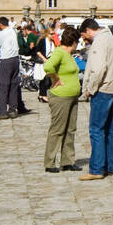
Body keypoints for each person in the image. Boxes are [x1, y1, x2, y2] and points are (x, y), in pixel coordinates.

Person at [79, 18, 113, 181]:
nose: (84, 40)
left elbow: (98, 69)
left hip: (102, 89)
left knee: (96, 129)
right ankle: (112, 165)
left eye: (84, 36)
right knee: (111, 128)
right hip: (112, 87)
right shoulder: (110, 38)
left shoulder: (98, 42)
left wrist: (90, 89)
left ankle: (96, 169)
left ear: (89, 31)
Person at [42, 26, 81, 172]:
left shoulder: (69, 55)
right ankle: (50, 162)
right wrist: (56, 78)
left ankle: (67, 160)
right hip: (60, 97)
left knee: (70, 129)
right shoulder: (59, 52)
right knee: (57, 130)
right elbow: (48, 66)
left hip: (72, 97)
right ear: (74, 42)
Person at [0, 16, 27, 121]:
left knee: (3, 85)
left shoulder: (2, 34)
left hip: (5, 60)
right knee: (14, 85)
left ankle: (2, 111)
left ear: (1, 24)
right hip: (15, 60)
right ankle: (12, 109)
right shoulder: (13, 31)